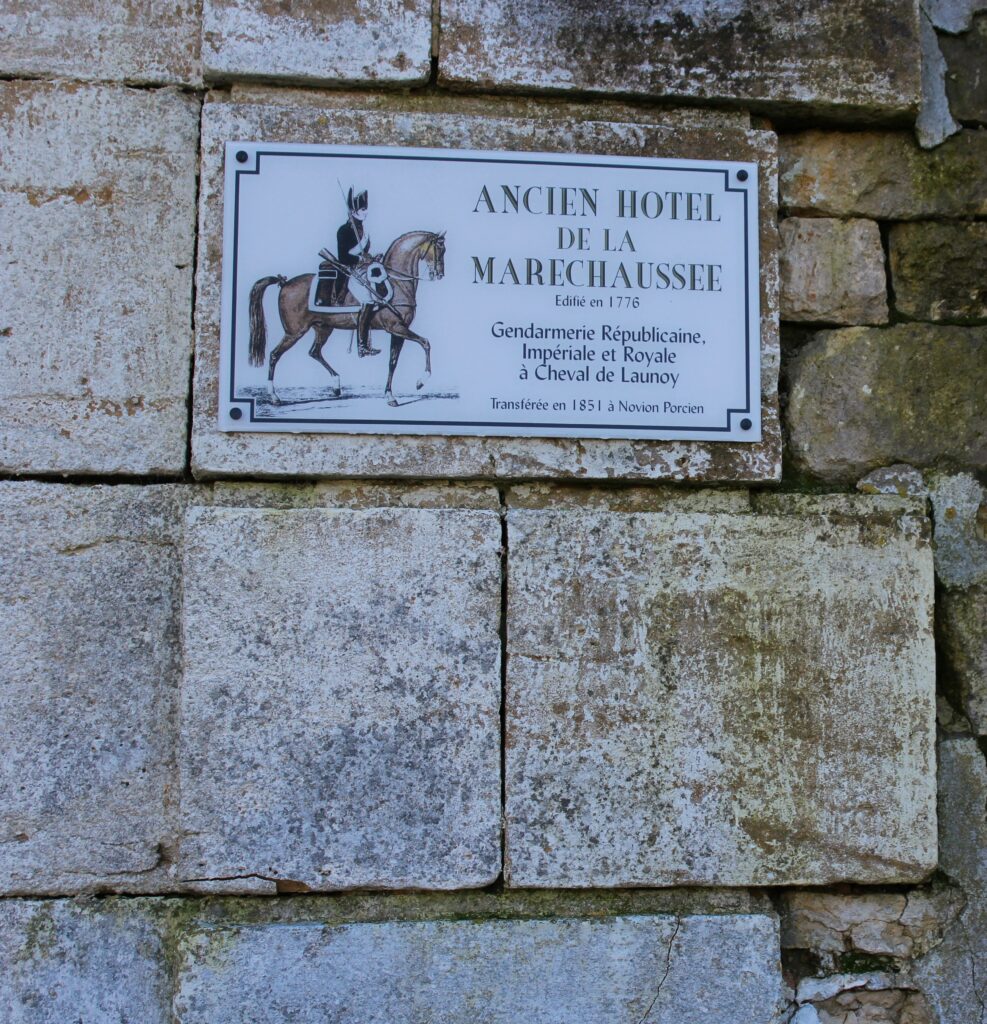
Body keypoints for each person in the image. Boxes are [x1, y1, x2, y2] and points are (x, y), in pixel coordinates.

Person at [335, 186, 380, 357]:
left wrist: (372, 257)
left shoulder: (363, 230)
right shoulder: (344, 230)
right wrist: (360, 259)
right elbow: (343, 257)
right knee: (368, 302)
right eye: (363, 209)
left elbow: (364, 253)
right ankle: (362, 346)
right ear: (353, 211)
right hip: (349, 271)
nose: (366, 212)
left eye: (366, 208)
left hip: (363, 269)